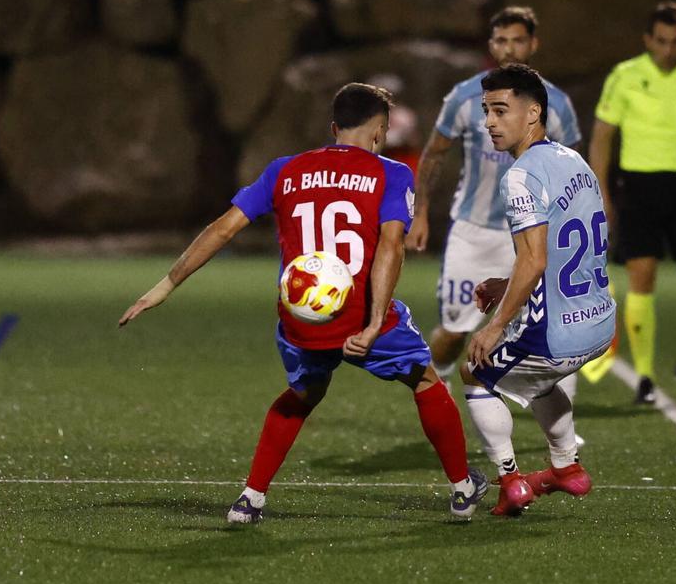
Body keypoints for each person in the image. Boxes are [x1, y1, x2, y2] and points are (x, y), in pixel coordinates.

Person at [118, 83, 489, 521]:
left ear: (334, 128)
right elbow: (392, 247)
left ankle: (250, 498)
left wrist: (167, 283)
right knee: (425, 380)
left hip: (302, 322)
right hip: (360, 316)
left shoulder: (284, 170)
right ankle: (463, 488)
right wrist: (372, 325)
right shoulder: (391, 172)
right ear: (380, 132)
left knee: (303, 393)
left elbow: (223, 229)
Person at [407, 7, 588, 419]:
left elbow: (572, 165)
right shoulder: (465, 96)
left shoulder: (556, 103)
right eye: (501, 41)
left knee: (554, 330)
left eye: (517, 40)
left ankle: (562, 432)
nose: (509, 49)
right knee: (454, 330)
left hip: (532, 233)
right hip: (473, 232)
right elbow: (435, 153)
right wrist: (420, 213)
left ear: (533, 44)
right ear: (491, 45)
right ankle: (437, 397)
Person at [460, 64, 616, 516]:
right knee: (539, 379)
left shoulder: (521, 176)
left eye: (500, 110)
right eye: (486, 110)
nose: (489, 121)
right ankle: (567, 468)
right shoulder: (573, 161)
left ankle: (510, 481)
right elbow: (568, 253)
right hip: (599, 322)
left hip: (557, 333)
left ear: (533, 114)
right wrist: (508, 285)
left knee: (475, 371)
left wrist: (495, 325)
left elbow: (535, 260)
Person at [588, 1, 676, 405]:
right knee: (643, 276)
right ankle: (645, 375)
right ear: (648, 40)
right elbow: (602, 137)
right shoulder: (625, 76)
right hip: (641, 187)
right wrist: (602, 191)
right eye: (660, 42)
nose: (667, 50)